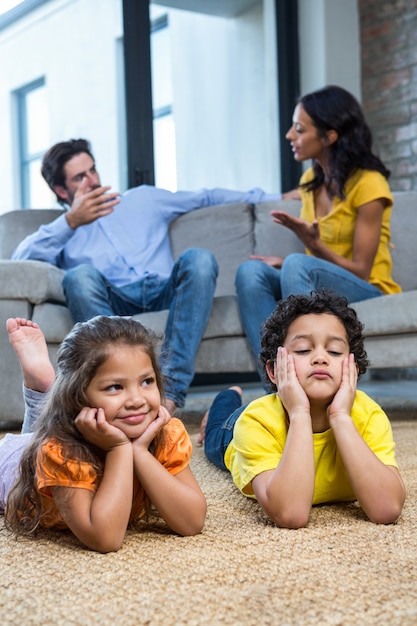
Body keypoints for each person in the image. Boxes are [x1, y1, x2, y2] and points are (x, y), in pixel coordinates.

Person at [12, 139, 286, 415]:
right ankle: (115, 382)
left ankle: (171, 392)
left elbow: (207, 196)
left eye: (93, 170)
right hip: (113, 300)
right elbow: (20, 261)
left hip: (164, 291)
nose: (93, 180)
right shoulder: (62, 232)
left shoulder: (142, 198)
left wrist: (276, 197)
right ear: (61, 189)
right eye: (80, 177)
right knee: (79, 277)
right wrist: (71, 221)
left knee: (200, 259)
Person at [1, 315, 207, 553]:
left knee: (44, 426)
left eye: (146, 381)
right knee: (35, 439)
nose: (137, 400)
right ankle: (40, 390)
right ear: (77, 397)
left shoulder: (164, 433)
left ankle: (44, 390)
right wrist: (118, 448)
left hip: (67, 426)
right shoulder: (61, 451)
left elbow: (192, 522)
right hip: (12, 465)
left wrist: (139, 451)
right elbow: (105, 539)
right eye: (114, 387)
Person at [203, 290, 406, 528]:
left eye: (334, 351)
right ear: (273, 371)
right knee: (215, 432)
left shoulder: (369, 415)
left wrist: (340, 417)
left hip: (289, 407)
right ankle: (228, 395)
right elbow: (290, 514)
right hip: (237, 429)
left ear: (354, 367)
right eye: (302, 350)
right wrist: (299, 413)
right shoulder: (255, 422)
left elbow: (387, 509)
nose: (320, 358)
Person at [235, 85, 402, 375]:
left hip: (368, 288)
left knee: (298, 263)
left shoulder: (370, 184)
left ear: (330, 136)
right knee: (251, 273)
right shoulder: (311, 180)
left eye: (299, 129)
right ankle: (277, 383)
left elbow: (361, 270)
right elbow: (275, 197)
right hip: (322, 283)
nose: (290, 135)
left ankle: (305, 380)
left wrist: (312, 245)